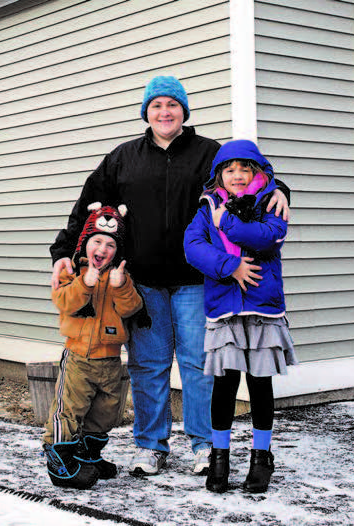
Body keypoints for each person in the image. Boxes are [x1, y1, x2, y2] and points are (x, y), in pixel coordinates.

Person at [49, 75, 290, 477]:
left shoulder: (208, 153)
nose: (165, 112)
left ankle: (203, 445)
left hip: (198, 281)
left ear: (184, 112)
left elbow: (249, 176)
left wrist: (281, 188)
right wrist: (63, 251)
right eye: (157, 106)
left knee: (199, 364)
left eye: (172, 105)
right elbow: (86, 206)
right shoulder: (123, 158)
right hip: (141, 281)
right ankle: (150, 445)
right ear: (147, 112)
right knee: (149, 365)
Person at [183, 139, 298, 494]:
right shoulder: (208, 207)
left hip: (262, 310)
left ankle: (261, 457)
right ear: (219, 176)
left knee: (260, 384)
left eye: (244, 169)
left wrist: (228, 224)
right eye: (229, 170)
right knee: (226, 383)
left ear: (257, 172)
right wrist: (230, 265)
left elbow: (267, 237)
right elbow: (193, 246)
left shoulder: (271, 202)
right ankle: (220, 457)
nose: (236, 175)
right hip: (226, 309)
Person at [43, 202, 144, 490]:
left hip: (110, 359)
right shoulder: (71, 272)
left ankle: (88, 454)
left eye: (110, 244)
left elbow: (131, 308)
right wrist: (84, 284)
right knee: (70, 407)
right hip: (78, 358)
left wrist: (121, 285)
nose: (102, 249)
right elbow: (64, 303)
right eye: (97, 241)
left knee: (107, 410)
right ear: (86, 243)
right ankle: (60, 460)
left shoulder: (120, 276)